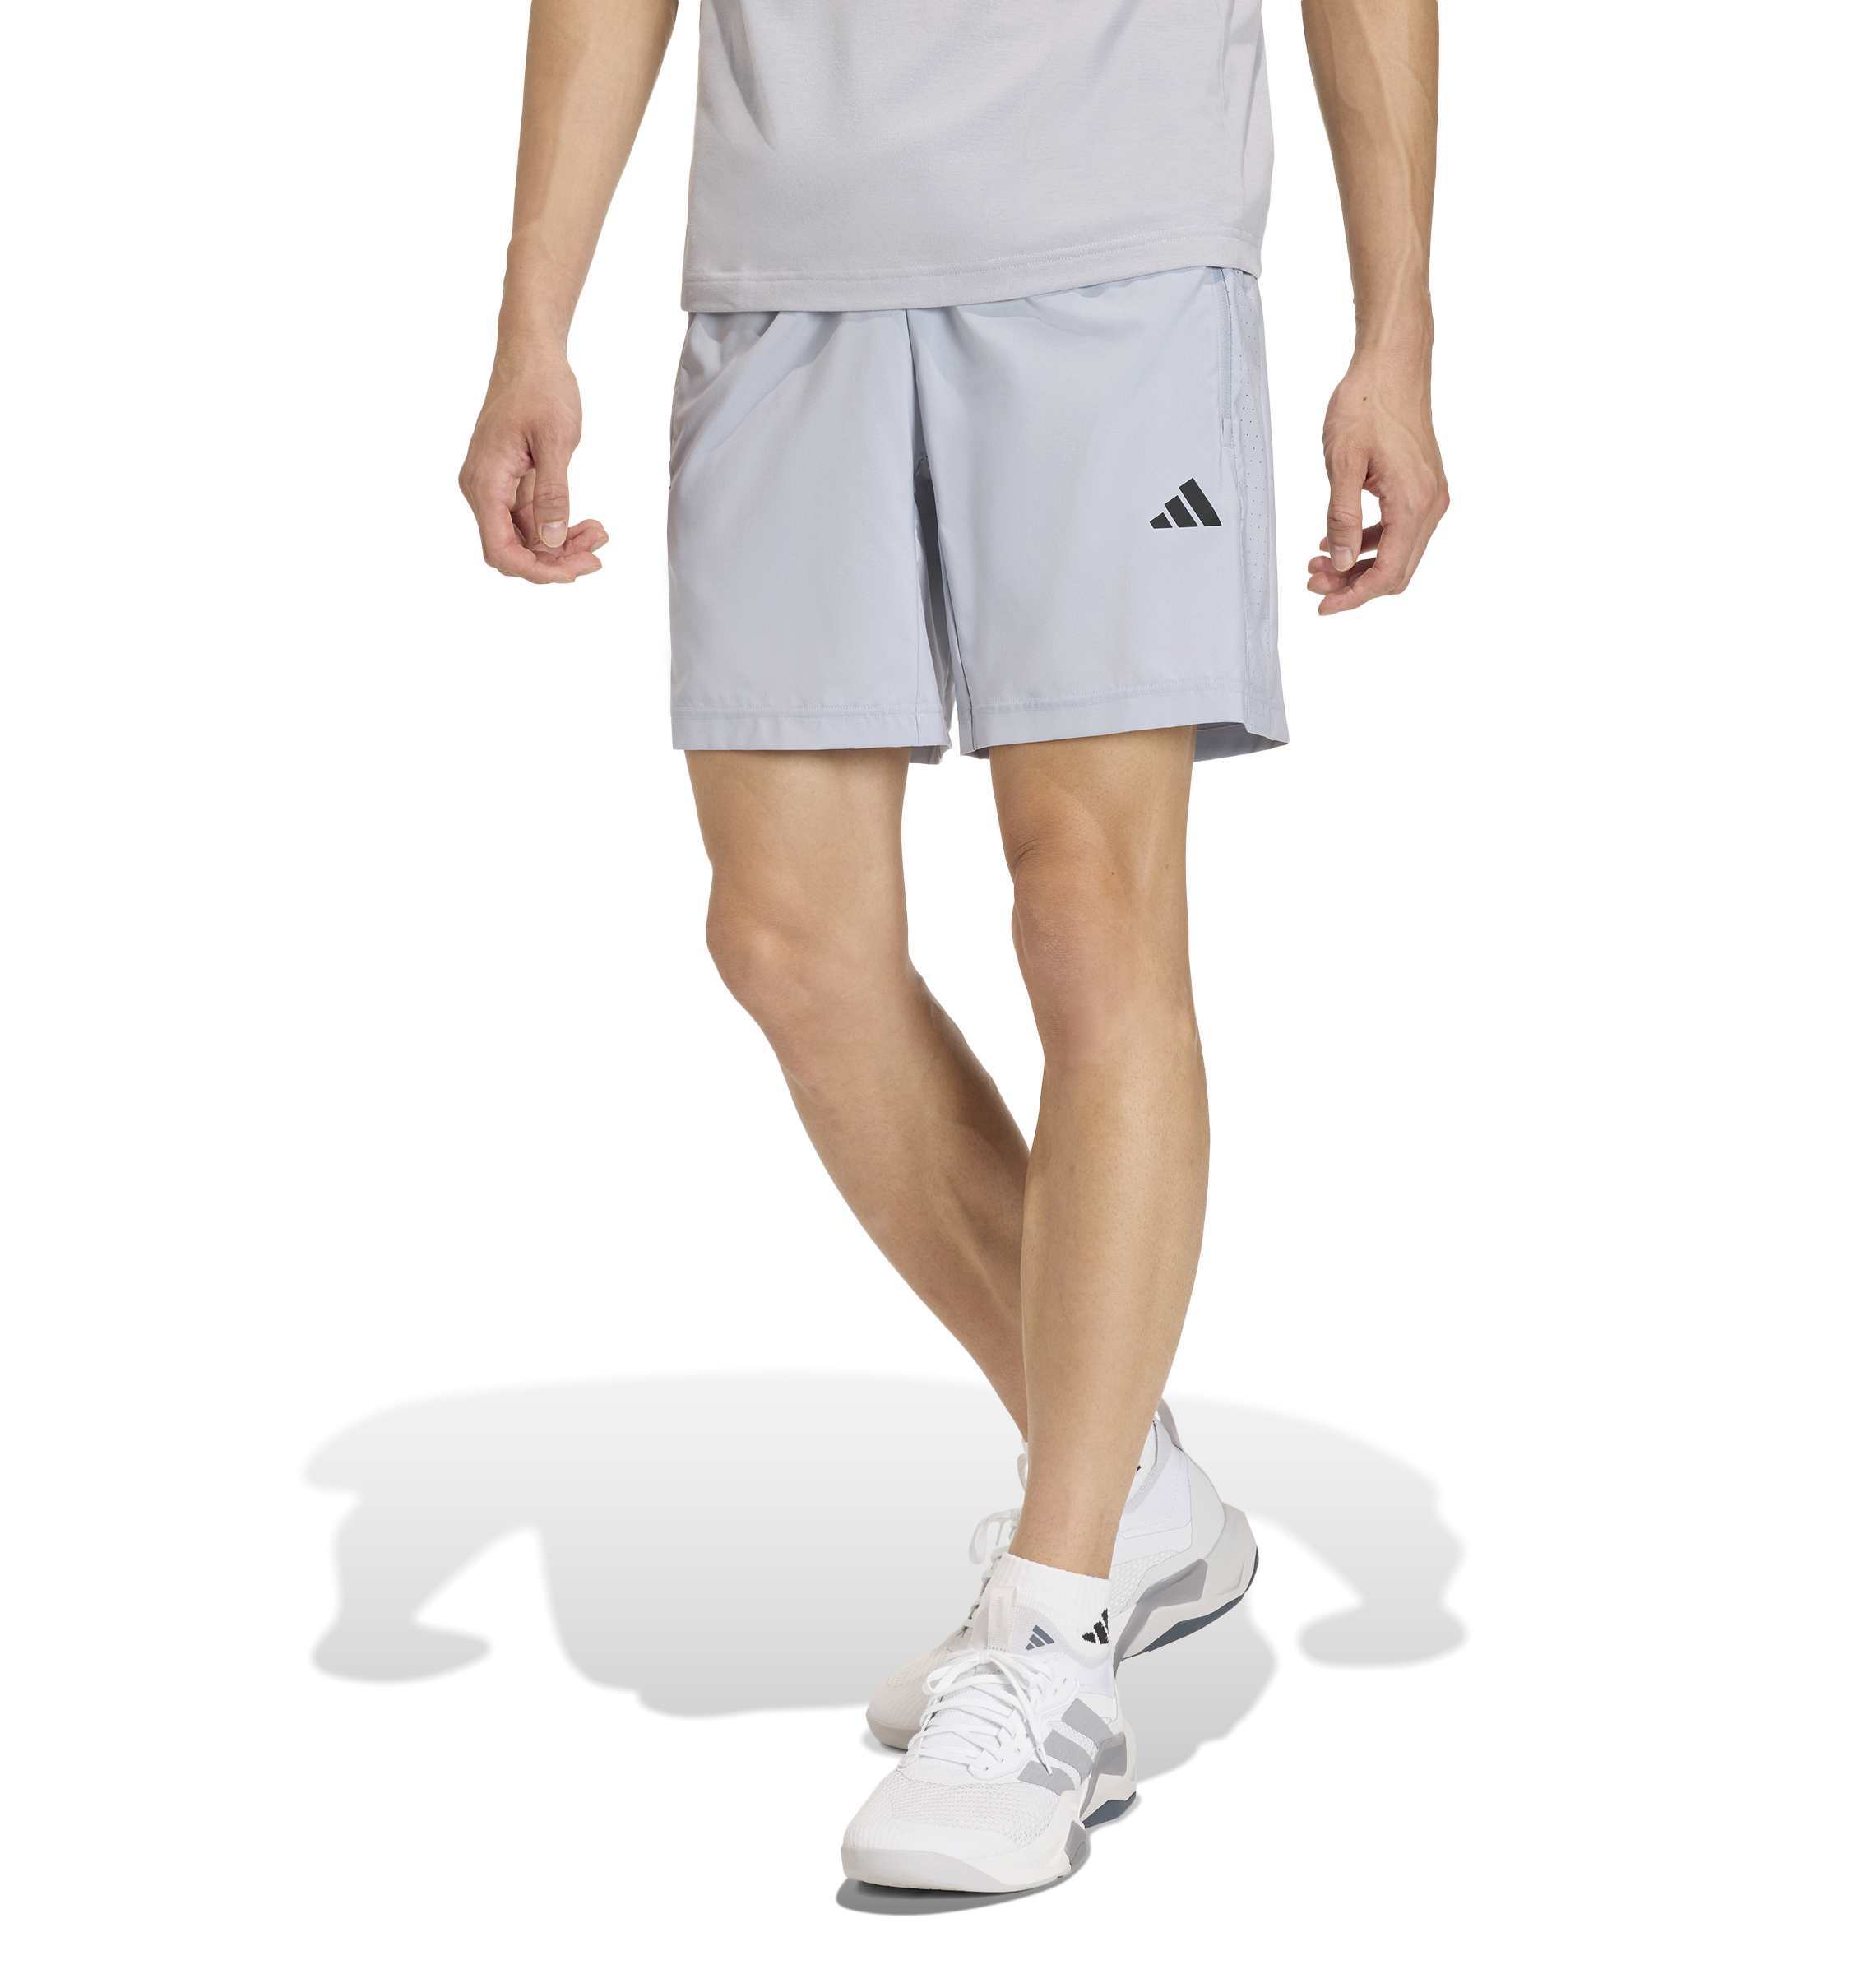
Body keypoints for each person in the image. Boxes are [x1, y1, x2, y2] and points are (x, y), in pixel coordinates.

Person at [459, 0, 1448, 1895]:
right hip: (784, 272)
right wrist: (535, 312)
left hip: (1117, 263)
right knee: (787, 937)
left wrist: (1393, 330)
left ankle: (1059, 1631)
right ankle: (1133, 1489)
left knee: (1088, 912)